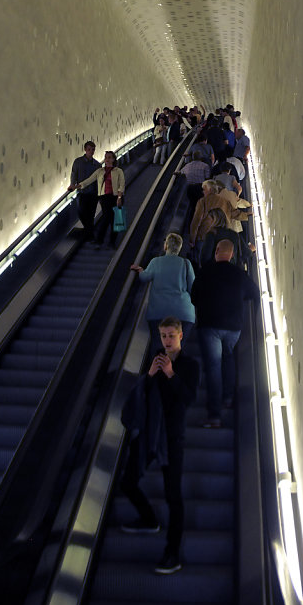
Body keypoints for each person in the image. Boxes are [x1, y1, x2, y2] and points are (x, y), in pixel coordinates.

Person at [120, 317, 199, 575]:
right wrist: (151, 375)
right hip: (148, 432)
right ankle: (149, 518)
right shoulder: (155, 358)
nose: (166, 341)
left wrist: (171, 374)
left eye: (171, 336)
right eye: (163, 336)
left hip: (172, 437)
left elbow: (188, 399)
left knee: (173, 495)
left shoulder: (190, 365)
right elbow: (142, 392)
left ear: (180, 336)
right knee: (128, 481)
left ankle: (172, 552)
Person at [190, 240, 260, 428]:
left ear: (217, 250)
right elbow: (255, 293)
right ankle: (228, 398)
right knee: (228, 358)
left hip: (210, 325)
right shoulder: (239, 274)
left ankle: (214, 415)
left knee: (213, 368)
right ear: (231, 254)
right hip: (234, 327)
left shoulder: (205, 271)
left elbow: (193, 297)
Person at [130, 233, 196, 351]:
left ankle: (158, 366)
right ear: (179, 248)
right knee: (177, 352)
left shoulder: (156, 262)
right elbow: (193, 288)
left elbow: (144, 278)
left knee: (158, 349)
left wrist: (140, 271)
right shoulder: (186, 264)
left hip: (158, 312)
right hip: (183, 314)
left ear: (165, 246)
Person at [77, 150, 125, 248]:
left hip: (116, 197)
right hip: (104, 198)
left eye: (109, 157)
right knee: (107, 217)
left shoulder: (118, 171)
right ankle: (101, 240)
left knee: (114, 220)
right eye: (106, 157)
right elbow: (89, 180)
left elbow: (122, 185)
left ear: (113, 159)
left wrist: (119, 197)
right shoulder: (100, 171)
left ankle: (109, 241)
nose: (107, 159)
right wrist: (77, 186)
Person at [68, 140, 100, 241]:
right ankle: (90, 234)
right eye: (89, 149)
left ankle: (89, 235)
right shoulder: (78, 162)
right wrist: (72, 184)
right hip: (82, 193)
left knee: (90, 215)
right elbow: (74, 174)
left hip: (93, 193)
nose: (91, 151)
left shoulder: (97, 165)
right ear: (85, 150)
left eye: (93, 150)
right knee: (82, 213)